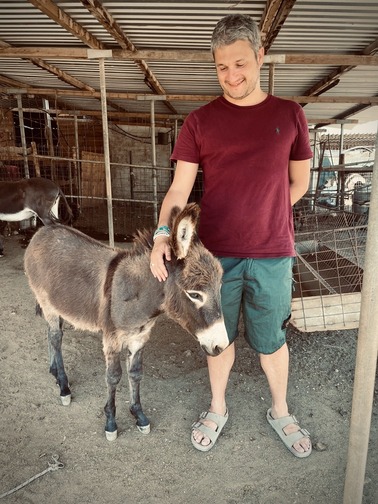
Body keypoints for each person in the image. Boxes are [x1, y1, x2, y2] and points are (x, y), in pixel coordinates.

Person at [150, 13, 312, 458]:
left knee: (272, 340)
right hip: (214, 258)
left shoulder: (290, 115)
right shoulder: (201, 122)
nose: (232, 75)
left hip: (273, 253)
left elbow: (299, 184)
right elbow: (179, 190)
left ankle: (280, 410)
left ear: (260, 56)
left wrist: (267, 214)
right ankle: (217, 407)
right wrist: (164, 233)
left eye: (240, 63)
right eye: (222, 67)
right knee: (216, 336)